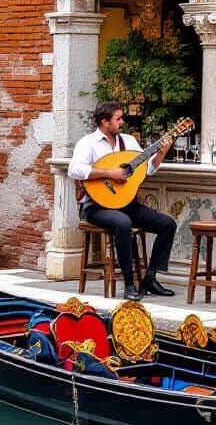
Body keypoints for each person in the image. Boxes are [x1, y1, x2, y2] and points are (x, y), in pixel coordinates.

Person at [68, 101, 178, 302]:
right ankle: (128, 284)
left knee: (167, 224)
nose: (122, 122)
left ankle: (150, 278)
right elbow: (74, 169)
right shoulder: (88, 143)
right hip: (96, 206)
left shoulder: (128, 141)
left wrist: (161, 152)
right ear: (104, 122)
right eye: (118, 118)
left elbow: (148, 169)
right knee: (123, 223)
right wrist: (109, 173)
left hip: (127, 204)